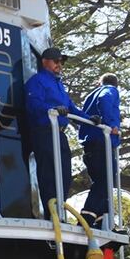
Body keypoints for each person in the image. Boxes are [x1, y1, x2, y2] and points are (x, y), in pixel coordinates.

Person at [24, 47, 87, 218]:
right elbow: (33, 105)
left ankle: (59, 210)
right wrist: (52, 109)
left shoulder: (59, 84)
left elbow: (72, 109)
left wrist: (92, 119)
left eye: (61, 61)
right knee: (49, 174)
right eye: (56, 61)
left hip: (59, 134)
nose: (60, 64)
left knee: (65, 174)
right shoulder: (37, 81)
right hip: (44, 132)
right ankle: (51, 213)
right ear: (45, 62)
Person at [78, 73, 121, 228]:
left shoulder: (90, 95)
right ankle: (87, 217)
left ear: (99, 82)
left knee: (103, 183)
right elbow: (104, 99)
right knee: (106, 180)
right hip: (101, 142)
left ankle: (102, 220)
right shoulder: (110, 90)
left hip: (90, 144)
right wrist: (111, 125)